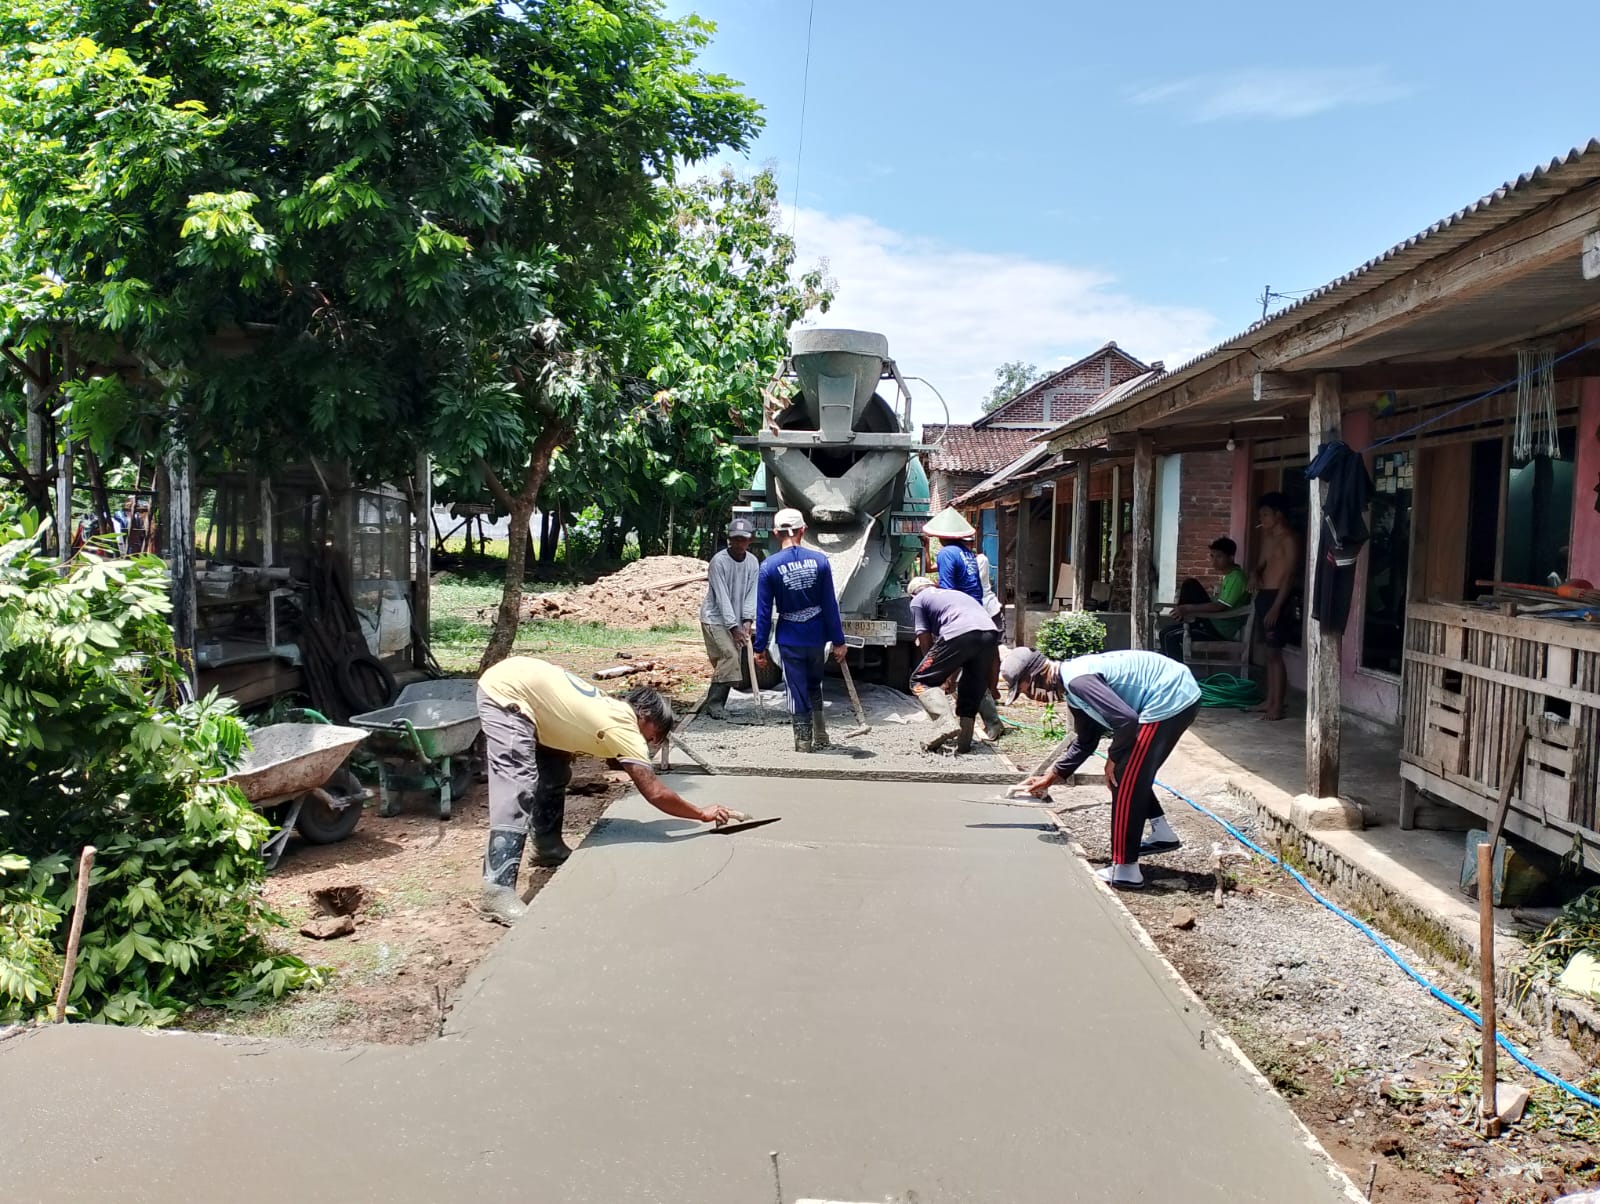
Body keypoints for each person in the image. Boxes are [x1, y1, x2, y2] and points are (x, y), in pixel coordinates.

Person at [475, 657, 734, 924]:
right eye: (656, 734)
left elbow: (607, 753)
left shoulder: (611, 708)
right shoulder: (625, 727)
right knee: (518, 781)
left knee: (554, 771)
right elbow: (654, 792)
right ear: (645, 717)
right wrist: (701, 813)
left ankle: (548, 848)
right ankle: (496, 891)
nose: (653, 743)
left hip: (528, 689)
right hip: (507, 692)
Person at [1012, 649, 1201, 889]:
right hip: (1172, 692)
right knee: (1130, 773)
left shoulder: (1078, 681)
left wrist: (1113, 757)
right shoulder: (1073, 692)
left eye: (1025, 690)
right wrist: (1049, 777)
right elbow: (1085, 741)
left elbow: (1126, 720)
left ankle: (1126, 869)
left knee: (1122, 777)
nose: (1032, 698)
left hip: (1169, 695)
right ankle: (1162, 833)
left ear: (1038, 675)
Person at [753, 508, 847, 753]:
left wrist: (759, 647)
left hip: (789, 637)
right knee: (815, 682)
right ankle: (821, 732)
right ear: (803, 530)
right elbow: (830, 604)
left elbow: (763, 612)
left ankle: (803, 743)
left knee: (796, 689)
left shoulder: (768, 567)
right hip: (816, 636)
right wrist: (839, 641)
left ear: (776, 533)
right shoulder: (820, 561)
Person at [907, 577, 1005, 752]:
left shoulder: (918, 600)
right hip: (989, 633)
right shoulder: (955, 594)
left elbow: (924, 637)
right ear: (933, 585)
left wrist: (935, 671)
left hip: (958, 632)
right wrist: (949, 675)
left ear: (912, 595)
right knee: (971, 686)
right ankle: (964, 742)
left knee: (919, 681)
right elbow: (961, 652)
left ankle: (945, 724)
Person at [698, 516, 760, 719]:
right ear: (729, 540)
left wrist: (748, 621)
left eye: (744, 539)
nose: (740, 543)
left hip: (737, 619)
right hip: (715, 618)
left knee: (728, 660)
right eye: (736, 539)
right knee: (730, 657)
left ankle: (713, 703)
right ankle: (715, 704)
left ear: (750, 540)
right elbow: (722, 597)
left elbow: (752, 593)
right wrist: (734, 627)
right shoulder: (719, 562)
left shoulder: (752, 562)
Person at [1251, 492, 1301, 722]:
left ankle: (1277, 705)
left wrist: (1277, 607)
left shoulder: (1289, 539)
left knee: (1275, 653)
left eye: (1266, 514)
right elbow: (1261, 564)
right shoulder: (1268, 538)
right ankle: (1270, 700)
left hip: (1278, 599)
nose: (1263, 518)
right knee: (1267, 653)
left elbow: (1290, 577)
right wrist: (1254, 575)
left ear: (1279, 515)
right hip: (1264, 595)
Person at [1159, 537, 1249, 660]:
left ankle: (1178, 676)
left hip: (1219, 629)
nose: (1214, 561)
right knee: (1165, 633)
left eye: (1219, 557)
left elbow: (1220, 606)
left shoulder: (1236, 578)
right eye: (1212, 556)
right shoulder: (1228, 576)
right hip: (1212, 622)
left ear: (1231, 557)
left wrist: (1187, 608)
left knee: (1168, 636)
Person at [925, 507, 984, 603]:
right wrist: (926, 546)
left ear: (941, 536)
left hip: (961, 607)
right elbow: (929, 569)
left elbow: (947, 590)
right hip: (975, 605)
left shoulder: (947, 553)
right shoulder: (966, 552)